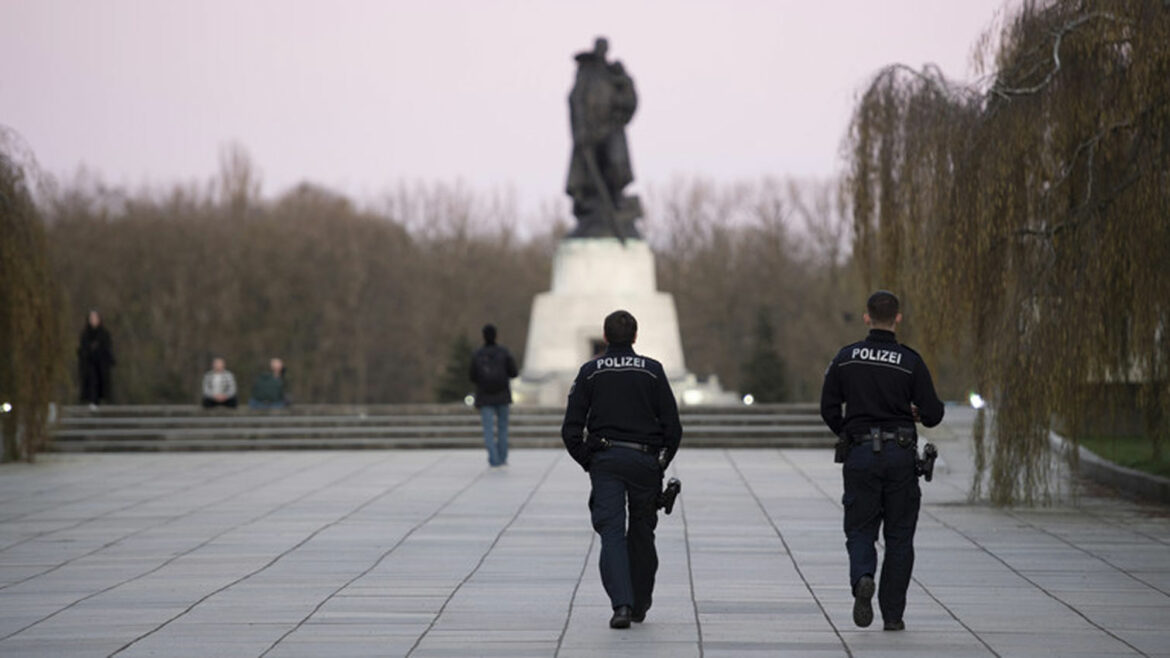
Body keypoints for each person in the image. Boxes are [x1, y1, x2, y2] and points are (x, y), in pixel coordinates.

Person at [819, 291, 944, 631]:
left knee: (860, 528)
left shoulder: (846, 358)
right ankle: (892, 615)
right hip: (901, 455)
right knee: (900, 536)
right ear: (898, 318)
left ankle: (862, 576)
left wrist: (848, 431)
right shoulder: (909, 361)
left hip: (860, 452)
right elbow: (933, 413)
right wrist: (915, 413)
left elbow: (828, 406)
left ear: (866, 317)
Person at [561, 310, 682, 629]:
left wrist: (590, 461)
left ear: (604, 337)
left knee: (612, 534)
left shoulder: (590, 371)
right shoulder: (652, 371)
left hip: (607, 461)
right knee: (643, 533)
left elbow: (571, 428)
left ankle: (622, 607)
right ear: (635, 337)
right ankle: (640, 603)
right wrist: (661, 463)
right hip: (644, 461)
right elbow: (673, 426)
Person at [469, 324, 518, 467]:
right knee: (503, 428)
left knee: (488, 430)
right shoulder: (504, 352)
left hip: (485, 397)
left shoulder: (477, 354)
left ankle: (494, 459)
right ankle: (502, 458)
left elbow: (472, 376)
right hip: (503, 396)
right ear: (496, 335)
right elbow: (514, 372)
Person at [77, 310, 115, 410]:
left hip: (101, 363)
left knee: (101, 382)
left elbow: (107, 347)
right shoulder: (85, 334)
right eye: (92, 318)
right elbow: (83, 349)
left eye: (95, 318)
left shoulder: (104, 333)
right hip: (90, 363)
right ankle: (92, 401)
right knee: (91, 380)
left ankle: (102, 400)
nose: (93, 321)